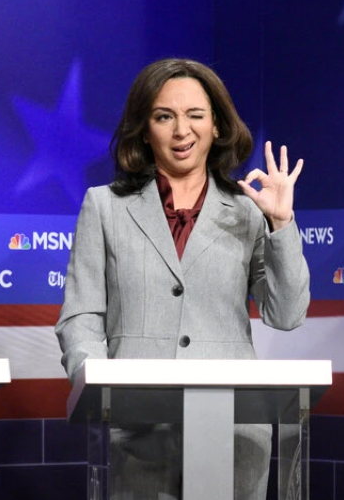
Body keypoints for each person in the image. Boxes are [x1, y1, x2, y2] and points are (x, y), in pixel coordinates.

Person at [55, 58, 311, 500]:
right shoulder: (104, 207)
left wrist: (282, 224)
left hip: (234, 429)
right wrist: (100, 388)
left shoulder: (249, 211)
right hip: (136, 432)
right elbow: (80, 316)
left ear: (217, 126)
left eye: (196, 116)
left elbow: (286, 314)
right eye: (164, 116)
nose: (181, 131)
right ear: (143, 127)